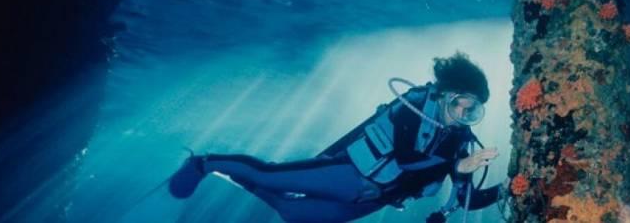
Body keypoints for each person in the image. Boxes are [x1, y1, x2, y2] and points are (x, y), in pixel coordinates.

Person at [168, 52, 503, 222]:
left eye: (474, 111)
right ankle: (204, 163)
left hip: (377, 198)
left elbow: (466, 200)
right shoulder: (413, 104)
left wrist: (504, 190)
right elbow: (404, 159)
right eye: (465, 104)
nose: (465, 116)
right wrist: (459, 165)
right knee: (270, 175)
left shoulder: (460, 142)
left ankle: (240, 183)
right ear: (447, 93)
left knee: (295, 216)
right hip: (349, 174)